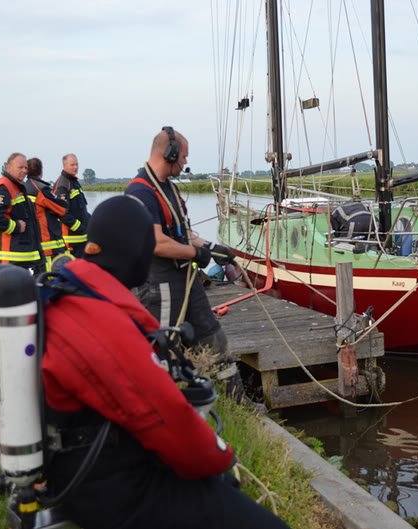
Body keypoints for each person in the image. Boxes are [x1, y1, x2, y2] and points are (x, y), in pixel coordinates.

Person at [41, 195, 288, 529]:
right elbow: (165, 418)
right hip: (112, 488)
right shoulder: (103, 325)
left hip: (78, 467)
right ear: (136, 253)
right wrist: (222, 457)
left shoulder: (67, 295)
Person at [125, 127, 240, 393]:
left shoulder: (170, 191)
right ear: (170, 153)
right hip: (159, 285)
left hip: (186, 281)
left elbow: (182, 233)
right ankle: (163, 400)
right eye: (184, 156)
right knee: (163, 347)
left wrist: (211, 248)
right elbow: (155, 242)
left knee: (213, 338)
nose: (186, 162)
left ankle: (237, 402)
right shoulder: (141, 192)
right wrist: (195, 254)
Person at [0, 153, 44, 273]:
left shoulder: (17, 187)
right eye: (20, 167)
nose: (24, 171)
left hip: (18, 257)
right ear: (8, 168)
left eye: (26, 168)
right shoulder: (5, 187)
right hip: (10, 257)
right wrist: (16, 226)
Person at [25, 157, 69, 269]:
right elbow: (61, 209)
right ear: (41, 171)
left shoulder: (23, 188)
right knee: (51, 276)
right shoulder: (41, 189)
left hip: (31, 241)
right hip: (48, 242)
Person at [53, 153, 89, 257]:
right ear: (64, 165)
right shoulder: (62, 185)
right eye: (72, 165)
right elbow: (62, 214)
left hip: (81, 239)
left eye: (77, 164)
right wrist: (81, 228)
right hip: (70, 241)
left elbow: (82, 210)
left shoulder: (74, 182)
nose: (76, 167)